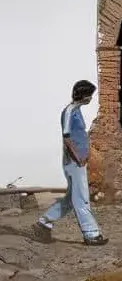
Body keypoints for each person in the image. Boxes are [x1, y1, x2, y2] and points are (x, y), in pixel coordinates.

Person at [32, 80, 108, 246]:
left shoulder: (77, 110)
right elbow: (67, 137)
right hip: (74, 162)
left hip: (79, 161)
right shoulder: (69, 111)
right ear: (83, 94)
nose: (91, 98)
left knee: (71, 199)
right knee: (81, 198)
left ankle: (44, 222)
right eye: (90, 94)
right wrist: (78, 157)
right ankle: (91, 233)